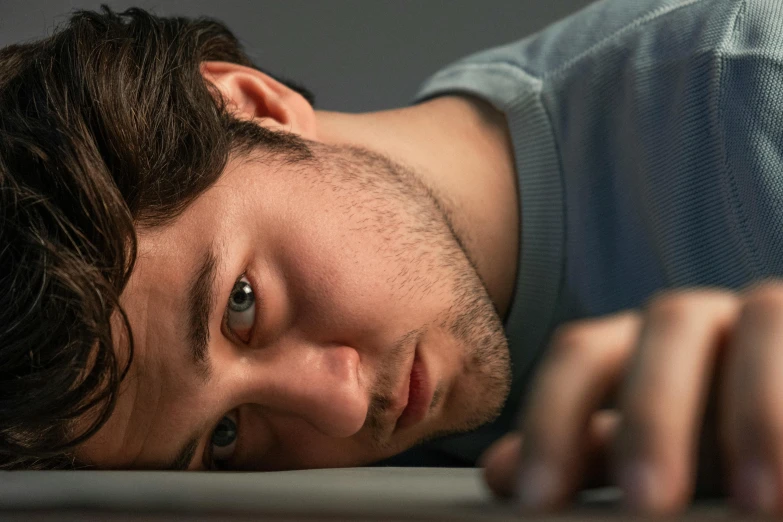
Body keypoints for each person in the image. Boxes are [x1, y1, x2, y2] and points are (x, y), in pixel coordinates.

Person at [2, 0, 782, 515]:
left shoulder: (751, 93)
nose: (338, 408)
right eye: (227, 439)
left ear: (250, 105)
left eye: (242, 304)